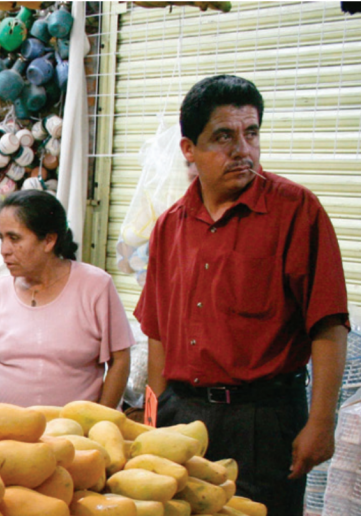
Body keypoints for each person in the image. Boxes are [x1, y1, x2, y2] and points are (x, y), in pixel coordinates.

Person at [135, 75, 349, 515]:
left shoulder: (296, 211)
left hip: (263, 419)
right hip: (182, 413)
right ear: (188, 150)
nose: (242, 149)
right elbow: (157, 333)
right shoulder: (170, 226)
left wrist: (322, 422)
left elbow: (328, 323)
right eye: (223, 136)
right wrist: (151, 424)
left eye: (251, 133)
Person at [0, 190, 134, 408]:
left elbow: (120, 360)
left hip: (74, 438)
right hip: (2, 438)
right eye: (1, 238)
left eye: (14, 238)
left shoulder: (95, 287)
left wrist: (99, 421)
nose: (4, 250)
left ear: (49, 241)